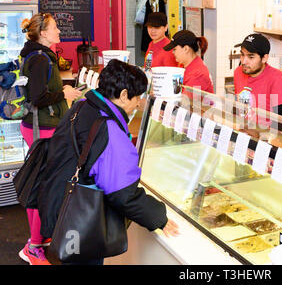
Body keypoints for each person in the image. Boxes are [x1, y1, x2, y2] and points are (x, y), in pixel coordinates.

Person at [37, 59, 179, 265]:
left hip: (57, 203)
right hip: (79, 222)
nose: (139, 103)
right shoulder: (109, 130)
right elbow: (123, 194)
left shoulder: (82, 106)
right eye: (137, 97)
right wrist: (159, 218)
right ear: (123, 96)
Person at [18, 13, 81, 265]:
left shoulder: (39, 56)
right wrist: (64, 93)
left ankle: (39, 239)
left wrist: (64, 92)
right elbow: (37, 98)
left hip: (43, 126)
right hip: (40, 128)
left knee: (42, 185)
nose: (59, 31)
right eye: (55, 28)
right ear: (43, 33)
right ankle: (34, 247)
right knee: (41, 188)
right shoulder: (41, 59)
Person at [233, 33, 282, 127]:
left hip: (265, 139)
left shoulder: (278, 80)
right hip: (244, 133)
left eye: (251, 57)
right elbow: (237, 105)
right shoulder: (238, 72)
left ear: (264, 58)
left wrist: (261, 136)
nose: (244, 61)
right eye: (242, 55)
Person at [163, 29, 214, 94]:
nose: (172, 52)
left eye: (174, 49)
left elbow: (193, 102)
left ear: (186, 49)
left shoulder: (198, 75)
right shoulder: (186, 65)